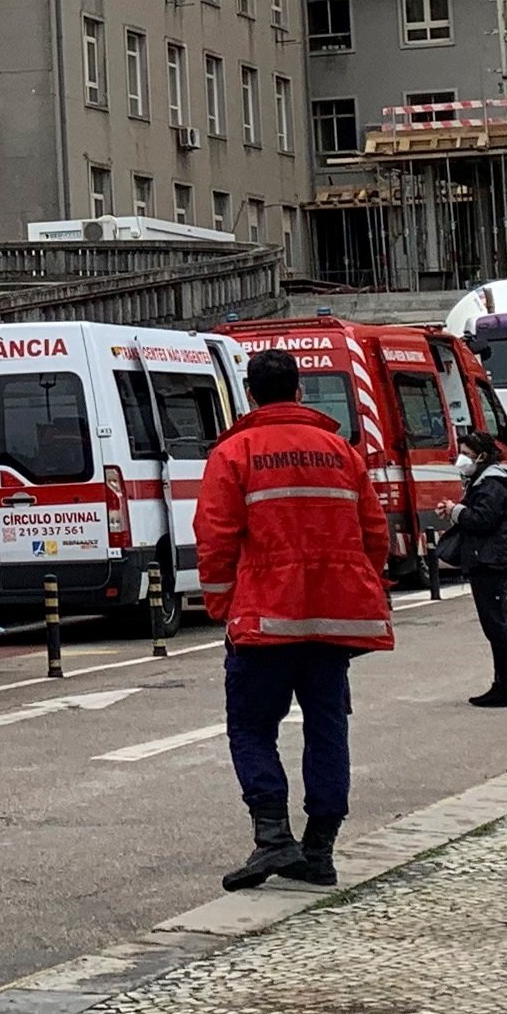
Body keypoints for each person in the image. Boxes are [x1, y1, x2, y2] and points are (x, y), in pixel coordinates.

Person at [200, 346, 395, 890]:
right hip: (332, 620)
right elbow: (374, 533)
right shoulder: (340, 451)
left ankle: (272, 836)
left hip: (264, 618)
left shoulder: (235, 453)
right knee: (327, 726)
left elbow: (215, 539)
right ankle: (320, 848)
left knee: (251, 726)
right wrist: (354, 586)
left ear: (250, 394)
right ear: (301, 391)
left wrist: (223, 606)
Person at [438, 427, 507, 709]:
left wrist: (456, 511)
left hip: (491, 561)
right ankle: (502, 685)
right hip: (487, 558)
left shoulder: (491, 483)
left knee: (497, 626)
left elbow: (482, 519)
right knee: (495, 625)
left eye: (466, 454)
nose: (461, 460)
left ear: (481, 456)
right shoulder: (484, 481)